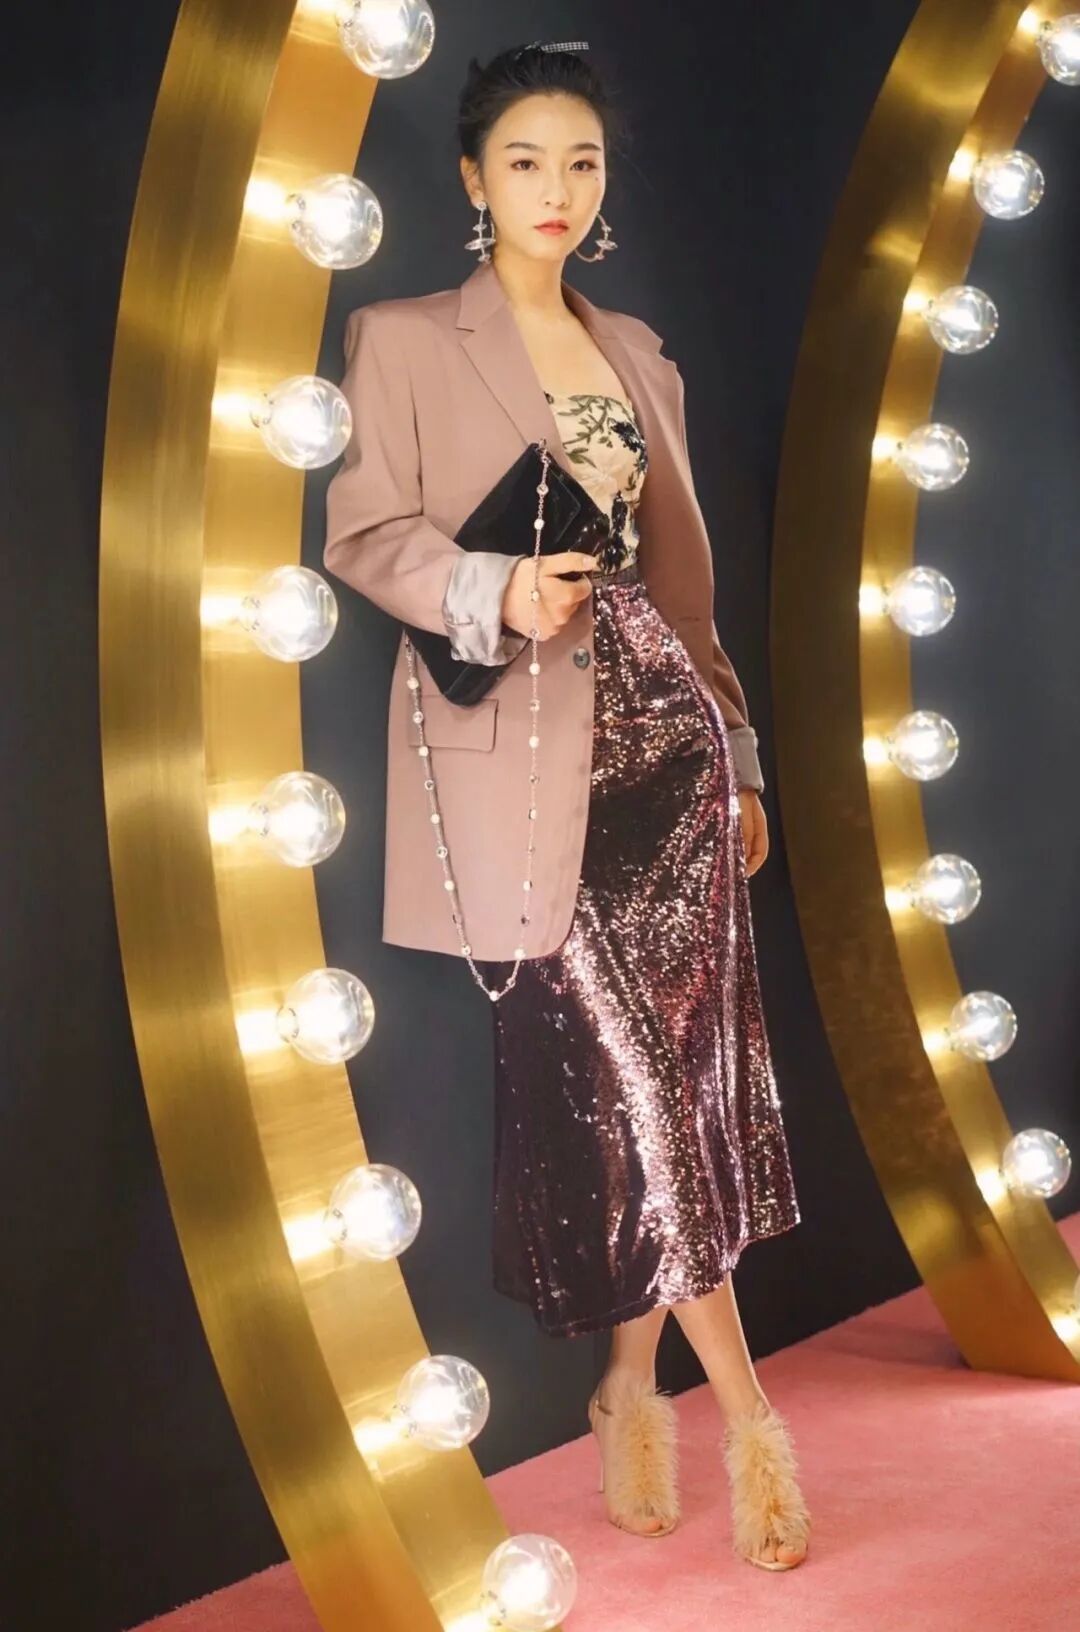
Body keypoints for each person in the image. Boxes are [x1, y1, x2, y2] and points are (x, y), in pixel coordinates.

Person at [323, 40, 810, 1571]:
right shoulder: (402, 336)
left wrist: (739, 755)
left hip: (671, 748)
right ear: (475, 178)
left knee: (680, 1094)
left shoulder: (640, 347)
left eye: (582, 161)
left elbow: (686, 583)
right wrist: (493, 587)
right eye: (527, 160)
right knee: (636, 1096)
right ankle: (751, 1425)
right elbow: (367, 536)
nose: (558, 188)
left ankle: (624, 1394)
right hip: (531, 765)